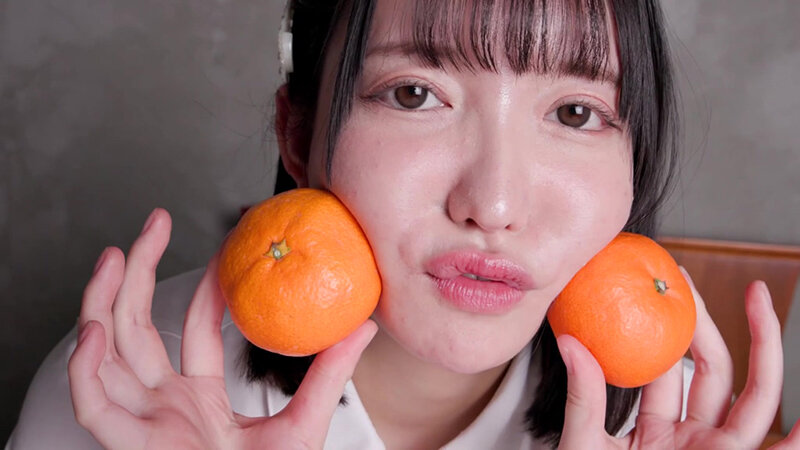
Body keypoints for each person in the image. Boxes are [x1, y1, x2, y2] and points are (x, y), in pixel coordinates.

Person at [8, 0, 800, 448]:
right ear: (298, 135)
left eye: (574, 112)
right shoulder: (126, 392)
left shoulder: (671, 427)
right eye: (415, 94)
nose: (493, 205)